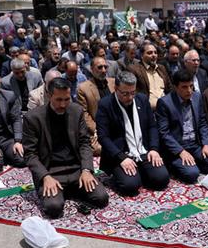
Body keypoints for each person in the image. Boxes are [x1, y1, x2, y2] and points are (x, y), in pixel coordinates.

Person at [23, 77, 108, 218]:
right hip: (50, 171)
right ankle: (65, 192)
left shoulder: (76, 111)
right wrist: (45, 177)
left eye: (67, 99)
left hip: (76, 169)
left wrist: (86, 170)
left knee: (101, 199)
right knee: (53, 208)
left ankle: (69, 190)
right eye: (58, 100)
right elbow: (30, 154)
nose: (63, 104)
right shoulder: (33, 118)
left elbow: (84, 143)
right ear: (49, 96)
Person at [96, 71, 170, 196]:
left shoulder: (142, 99)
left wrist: (154, 149)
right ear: (116, 89)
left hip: (142, 150)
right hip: (120, 154)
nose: (130, 97)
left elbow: (152, 126)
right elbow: (103, 137)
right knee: (130, 186)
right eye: (125, 94)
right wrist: (121, 157)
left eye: (132, 93)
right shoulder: (106, 104)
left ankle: (141, 172)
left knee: (162, 179)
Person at [156, 69, 208, 183]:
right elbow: (164, 133)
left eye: (191, 86)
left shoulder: (197, 97)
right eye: (184, 87)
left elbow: (203, 123)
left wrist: (206, 144)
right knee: (192, 174)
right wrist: (180, 151)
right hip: (178, 147)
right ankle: (175, 166)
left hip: (195, 145)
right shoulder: (165, 103)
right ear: (175, 87)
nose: (189, 90)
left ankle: (195, 164)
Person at [77, 56, 115, 155]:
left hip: (116, 125)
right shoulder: (83, 88)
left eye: (105, 67)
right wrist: (97, 128)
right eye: (100, 67)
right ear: (92, 69)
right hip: (98, 128)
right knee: (99, 149)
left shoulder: (114, 83)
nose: (103, 70)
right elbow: (84, 113)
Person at [127, 43, 171, 110]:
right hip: (147, 110)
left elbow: (169, 88)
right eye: (149, 53)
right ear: (142, 55)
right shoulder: (134, 69)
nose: (153, 55)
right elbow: (132, 92)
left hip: (165, 110)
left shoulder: (161, 68)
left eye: (155, 53)